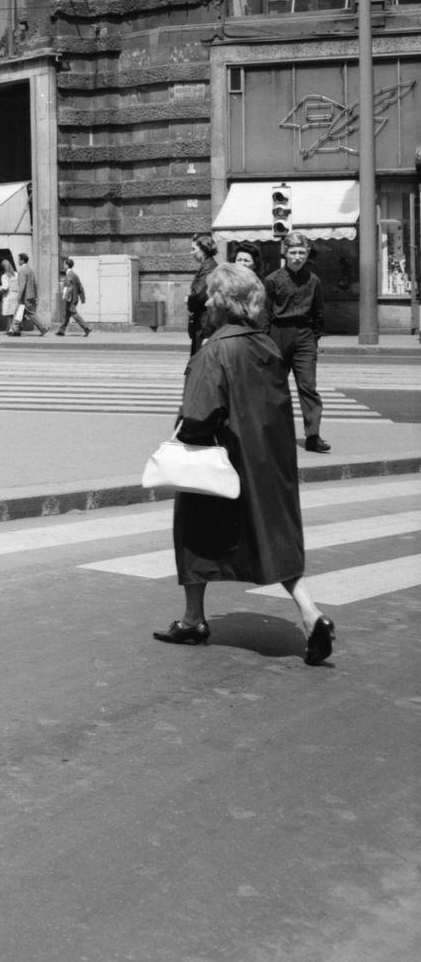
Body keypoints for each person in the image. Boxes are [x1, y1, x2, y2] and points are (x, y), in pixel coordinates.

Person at [154, 264, 333, 665]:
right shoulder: (265, 345)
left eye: (210, 298)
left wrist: (184, 430)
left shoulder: (214, 349)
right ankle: (310, 613)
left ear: (222, 303)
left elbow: (200, 415)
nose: (206, 306)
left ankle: (193, 619)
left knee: (194, 533)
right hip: (267, 460)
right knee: (271, 536)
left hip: (221, 462)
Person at [265, 232, 330, 454]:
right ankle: (273, 435)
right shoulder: (273, 280)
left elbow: (318, 312)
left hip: (304, 336)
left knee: (308, 388)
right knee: (275, 387)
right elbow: (265, 312)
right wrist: (265, 340)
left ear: (307, 253)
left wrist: (313, 337)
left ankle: (313, 436)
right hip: (278, 335)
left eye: (302, 252)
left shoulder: (313, 280)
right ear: (285, 253)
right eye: (293, 252)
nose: (297, 257)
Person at [186, 233, 218, 354]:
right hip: (202, 320)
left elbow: (197, 295)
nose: (191, 252)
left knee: (200, 358)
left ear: (203, 250)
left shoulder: (209, 267)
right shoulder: (207, 266)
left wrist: (188, 298)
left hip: (205, 321)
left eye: (193, 249)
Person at [6, 253, 46, 336]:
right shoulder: (30, 270)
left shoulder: (22, 271)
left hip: (25, 297)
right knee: (23, 313)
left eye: (19, 259)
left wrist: (19, 297)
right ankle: (17, 330)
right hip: (30, 295)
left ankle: (42, 328)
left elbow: (22, 285)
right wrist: (36, 296)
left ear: (22, 260)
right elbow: (35, 284)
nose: (18, 261)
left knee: (21, 312)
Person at [56, 257, 92, 337]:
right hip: (74, 298)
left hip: (70, 299)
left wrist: (65, 296)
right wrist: (82, 298)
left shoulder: (69, 275)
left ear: (67, 265)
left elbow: (69, 286)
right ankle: (62, 330)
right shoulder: (75, 275)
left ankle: (86, 328)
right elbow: (80, 287)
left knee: (74, 314)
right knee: (66, 314)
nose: (63, 266)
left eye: (64, 264)